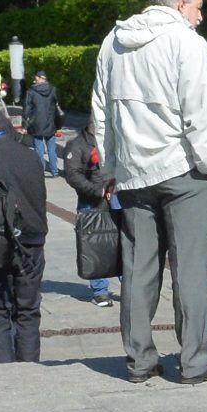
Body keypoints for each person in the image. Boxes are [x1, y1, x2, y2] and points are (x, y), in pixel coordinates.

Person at [91, 0, 207, 384]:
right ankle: (194, 363)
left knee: (138, 269)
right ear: (181, 4)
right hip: (182, 168)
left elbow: (101, 111)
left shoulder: (113, 42)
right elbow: (199, 111)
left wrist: (111, 168)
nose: (201, 17)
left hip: (134, 172)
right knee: (191, 271)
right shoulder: (187, 42)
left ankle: (140, 360)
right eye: (199, 8)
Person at [0, 90, 48, 364]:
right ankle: (29, 366)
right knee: (27, 310)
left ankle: (3, 366)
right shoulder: (28, 154)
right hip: (32, 240)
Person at [61, 128, 119, 309]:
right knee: (94, 244)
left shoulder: (116, 137)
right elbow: (72, 174)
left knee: (124, 241)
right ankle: (100, 291)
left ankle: (130, 284)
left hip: (119, 197)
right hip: (92, 202)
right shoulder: (77, 144)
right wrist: (98, 191)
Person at [22, 70, 61, 175]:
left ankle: (41, 170)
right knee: (52, 148)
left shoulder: (31, 91)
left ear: (38, 78)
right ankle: (55, 171)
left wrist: (24, 125)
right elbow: (56, 105)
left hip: (36, 123)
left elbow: (27, 109)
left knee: (39, 148)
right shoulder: (53, 89)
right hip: (50, 122)